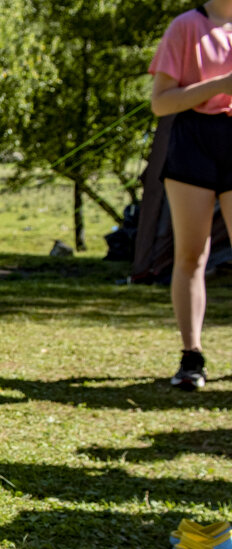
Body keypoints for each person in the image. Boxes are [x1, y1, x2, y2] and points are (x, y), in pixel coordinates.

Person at [149, 1, 232, 390]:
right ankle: (191, 357)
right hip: (192, 143)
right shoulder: (186, 26)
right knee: (190, 255)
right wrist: (220, 86)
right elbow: (161, 102)